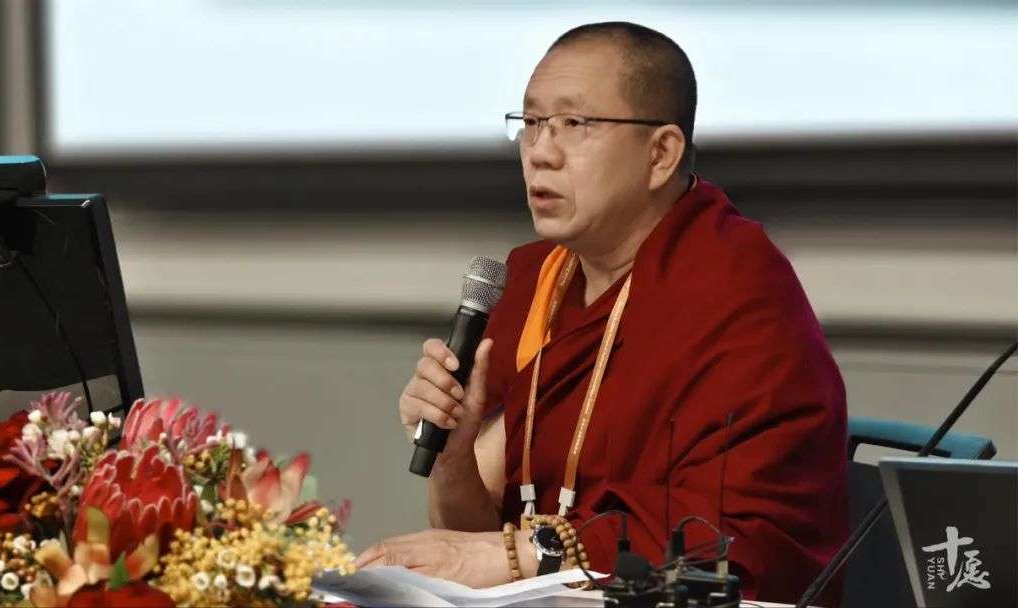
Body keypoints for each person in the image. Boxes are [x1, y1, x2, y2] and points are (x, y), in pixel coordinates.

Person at [356, 21, 848, 605]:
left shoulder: (737, 290)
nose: (540, 153)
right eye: (531, 122)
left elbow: (739, 540)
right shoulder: (537, 281)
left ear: (660, 154)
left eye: (575, 124)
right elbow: (472, 540)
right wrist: (454, 458)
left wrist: (519, 554)